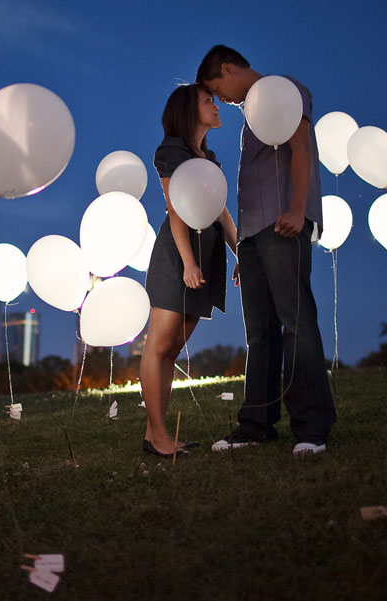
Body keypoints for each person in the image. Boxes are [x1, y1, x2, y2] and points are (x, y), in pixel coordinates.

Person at [195, 45, 336, 455]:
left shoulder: (283, 89)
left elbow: (301, 148)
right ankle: (256, 424)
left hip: (283, 223)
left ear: (226, 68)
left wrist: (296, 210)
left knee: (296, 323)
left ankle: (312, 427)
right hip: (254, 236)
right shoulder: (249, 115)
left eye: (216, 89)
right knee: (259, 333)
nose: (220, 99)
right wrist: (244, 248)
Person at [140, 84, 238, 458]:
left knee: (173, 348)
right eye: (208, 101)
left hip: (205, 252)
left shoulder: (207, 158)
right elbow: (174, 208)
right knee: (159, 346)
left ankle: (156, 434)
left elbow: (222, 211)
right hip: (179, 256)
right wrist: (189, 264)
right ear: (187, 110)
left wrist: (240, 249)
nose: (216, 106)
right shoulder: (170, 152)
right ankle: (159, 437)